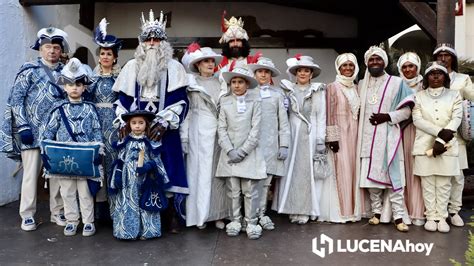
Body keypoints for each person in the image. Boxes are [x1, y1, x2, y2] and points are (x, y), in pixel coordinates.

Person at [112, 9, 189, 232]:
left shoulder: (175, 68)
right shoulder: (130, 68)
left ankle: (172, 214)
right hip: (137, 129)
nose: (152, 43)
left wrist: (165, 122)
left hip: (163, 129)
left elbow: (180, 101)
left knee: (170, 166)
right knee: (136, 170)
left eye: (157, 39)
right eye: (148, 39)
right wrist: (123, 122)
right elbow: (122, 100)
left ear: (164, 42)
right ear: (142, 42)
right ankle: (137, 215)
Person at [0, 27, 69, 231]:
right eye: (48, 47)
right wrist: (22, 126)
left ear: (61, 50)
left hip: (57, 132)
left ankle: (58, 212)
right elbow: (16, 100)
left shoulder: (66, 72)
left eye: (56, 47)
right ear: (40, 48)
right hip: (31, 130)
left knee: (57, 174)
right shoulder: (28, 70)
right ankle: (27, 214)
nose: (52, 51)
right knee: (30, 174)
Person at [41, 58, 103, 236]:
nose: (74, 88)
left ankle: (88, 221)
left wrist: (98, 150)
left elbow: (97, 130)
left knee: (85, 192)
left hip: (85, 158)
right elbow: (48, 132)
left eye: (78, 84)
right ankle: (71, 220)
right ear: (64, 87)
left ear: (84, 87)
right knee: (67, 191)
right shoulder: (58, 109)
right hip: (63, 157)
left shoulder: (90, 109)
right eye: (70, 84)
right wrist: (46, 150)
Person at [356, 46, 414, 232]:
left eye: (378, 59)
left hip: (389, 137)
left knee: (393, 177)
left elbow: (407, 111)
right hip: (367, 139)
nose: (374, 62)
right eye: (371, 60)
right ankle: (376, 212)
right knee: (372, 181)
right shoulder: (361, 85)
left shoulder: (398, 83)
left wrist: (387, 116)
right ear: (366, 63)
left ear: (385, 62)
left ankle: (398, 216)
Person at [180, 43, 228, 229]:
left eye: (211, 61)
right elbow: (188, 113)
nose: (209, 64)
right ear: (197, 65)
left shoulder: (221, 82)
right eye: (205, 61)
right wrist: (184, 136)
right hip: (198, 133)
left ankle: (217, 214)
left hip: (219, 133)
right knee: (199, 173)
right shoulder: (191, 84)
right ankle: (200, 215)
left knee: (218, 174)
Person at [274, 55, 326, 225]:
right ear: (295, 73)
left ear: (311, 74)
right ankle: (291, 207)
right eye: (300, 70)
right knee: (290, 171)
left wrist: (320, 139)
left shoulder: (318, 91)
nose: (303, 73)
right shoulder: (287, 90)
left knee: (305, 173)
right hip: (291, 132)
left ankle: (304, 210)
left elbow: (320, 116)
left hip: (309, 135)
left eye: (306, 70)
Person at [216, 67, 266, 239]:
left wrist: (243, 151)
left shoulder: (255, 103)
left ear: (247, 84)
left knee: (250, 189)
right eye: (233, 82)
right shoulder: (225, 102)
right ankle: (235, 220)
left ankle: (251, 222)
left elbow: (256, 129)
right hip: (230, 153)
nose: (236, 86)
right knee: (233, 189)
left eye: (240, 82)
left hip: (249, 152)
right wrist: (230, 150)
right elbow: (221, 128)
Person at [412, 62, 462, 233]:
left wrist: (443, 138)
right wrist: (441, 133)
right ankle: (431, 216)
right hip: (424, 145)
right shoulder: (418, 96)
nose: (435, 76)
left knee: (444, 184)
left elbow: (457, 117)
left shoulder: (454, 95)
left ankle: (442, 217)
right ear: (426, 78)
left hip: (448, 145)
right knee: (427, 183)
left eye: (439, 73)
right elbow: (417, 120)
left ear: (445, 77)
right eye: (431, 73)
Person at [109, 110, 169, 240]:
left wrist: (148, 166)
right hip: (128, 179)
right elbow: (119, 159)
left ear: (146, 125)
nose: (137, 126)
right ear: (129, 125)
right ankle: (128, 232)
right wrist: (118, 175)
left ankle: (147, 231)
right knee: (128, 202)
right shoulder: (125, 141)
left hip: (145, 179)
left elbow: (156, 160)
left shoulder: (150, 143)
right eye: (134, 123)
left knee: (144, 201)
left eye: (141, 123)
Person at [319, 53, 364, 223]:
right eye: (344, 65)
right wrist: (332, 138)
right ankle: (342, 211)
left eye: (351, 65)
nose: (347, 68)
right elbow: (329, 113)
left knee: (354, 170)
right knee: (342, 170)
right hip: (340, 136)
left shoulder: (357, 87)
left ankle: (355, 210)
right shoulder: (332, 87)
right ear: (338, 68)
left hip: (355, 135)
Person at [433, 43, 474, 227]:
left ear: (453, 58)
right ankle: (437, 212)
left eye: (447, 54)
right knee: (437, 175)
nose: (443, 57)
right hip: (434, 134)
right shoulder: (430, 77)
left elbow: (472, 99)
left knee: (456, 175)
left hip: (455, 135)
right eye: (439, 54)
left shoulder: (463, 79)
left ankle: (454, 210)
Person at [248, 56, 290, 230]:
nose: (263, 75)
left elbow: (283, 121)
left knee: (266, 181)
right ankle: (249, 215)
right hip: (251, 144)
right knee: (250, 181)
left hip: (271, 143)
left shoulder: (277, 94)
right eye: (260, 71)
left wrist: (284, 144)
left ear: (270, 74)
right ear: (255, 73)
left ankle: (262, 214)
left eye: (266, 72)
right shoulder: (247, 93)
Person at [87, 17, 122, 224]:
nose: (106, 56)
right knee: (98, 163)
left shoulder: (121, 79)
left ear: (115, 57)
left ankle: (115, 207)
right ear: (98, 57)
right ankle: (99, 208)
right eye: (102, 53)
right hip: (96, 124)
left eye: (109, 53)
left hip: (116, 126)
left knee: (113, 163)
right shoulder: (91, 79)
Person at [397, 52, 425, 226]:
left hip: (421, 132)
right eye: (404, 67)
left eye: (411, 66)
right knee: (403, 169)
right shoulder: (397, 84)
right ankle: (403, 209)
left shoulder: (425, 84)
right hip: (401, 132)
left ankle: (418, 210)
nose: (408, 70)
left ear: (417, 67)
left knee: (418, 169)